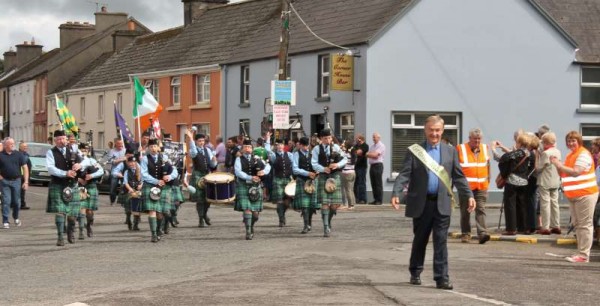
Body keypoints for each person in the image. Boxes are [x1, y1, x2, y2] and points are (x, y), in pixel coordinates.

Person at [391, 115, 475, 290]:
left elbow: (459, 177)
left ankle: (441, 278)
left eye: (438, 130)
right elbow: (405, 173)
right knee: (420, 240)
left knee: (441, 241)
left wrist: (469, 195)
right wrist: (396, 192)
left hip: (442, 203)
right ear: (425, 130)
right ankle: (415, 271)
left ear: (442, 131)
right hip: (422, 204)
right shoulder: (415, 150)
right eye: (431, 130)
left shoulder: (450, 151)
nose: (434, 134)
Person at [550, 131, 599, 263]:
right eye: (569, 141)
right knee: (578, 224)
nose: (571, 143)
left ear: (579, 141)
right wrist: (556, 164)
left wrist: (559, 165)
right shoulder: (571, 155)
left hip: (585, 194)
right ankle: (581, 252)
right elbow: (563, 173)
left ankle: (583, 255)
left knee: (584, 225)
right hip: (574, 195)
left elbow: (576, 172)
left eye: (573, 140)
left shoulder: (583, 154)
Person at [46, 130, 83, 246]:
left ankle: (70, 233)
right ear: (55, 141)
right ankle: (60, 237)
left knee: (73, 215)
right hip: (58, 184)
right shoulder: (50, 152)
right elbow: (50, 168)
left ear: (66, 139)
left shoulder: (74, 151)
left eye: (63, 139)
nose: (61, 141)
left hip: (72, 185)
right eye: (59, 139)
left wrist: (80, 165)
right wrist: (65, 173)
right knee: (60, 212)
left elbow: (87, 161)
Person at [456, 128, 491, 244]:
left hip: (481, 186)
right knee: (466, 211)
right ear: (469, 138)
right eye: (475, 139)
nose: (477, 142)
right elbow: (456, 169)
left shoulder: (485, 148)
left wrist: (488, 182)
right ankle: (466, 233)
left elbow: (487, 166)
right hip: (466, 187)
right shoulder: (461, 149)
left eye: (479, 139)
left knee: (480, 209)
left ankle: (482, 234)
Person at [311, 129, 347, 237]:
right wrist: (323, 169)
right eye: (325, 138)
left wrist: (337, 165)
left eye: (329, 138)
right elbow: (314, 163)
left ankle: (329, 220)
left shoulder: (336, 147)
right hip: (323, 176)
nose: (328, 140)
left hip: (335, 175)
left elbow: (344, 159)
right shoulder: (317, 149)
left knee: (334, 205)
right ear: (321, 139)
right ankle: (326, 226)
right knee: (325, 203)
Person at [493, 134, 532, 235]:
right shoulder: (528, 153)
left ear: (519, 143)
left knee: (510, 205)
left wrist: (493, 149)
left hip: (512, 182)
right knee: (522, 205)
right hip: (524, 182)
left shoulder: (516, 153)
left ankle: (511, 229)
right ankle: (524, 227)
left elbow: (502, 159)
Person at [141, 139, 178, 242]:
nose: (153, 148)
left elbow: (174, 170)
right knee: (152, 210)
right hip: (150, 185)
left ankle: (158, 230)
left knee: (161, 212)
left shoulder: (165, 158)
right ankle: (153, 234)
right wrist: (156, 181)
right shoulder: (144, 159)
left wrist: (169, 177)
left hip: (164, 187)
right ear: (148, 148)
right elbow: (144, 174)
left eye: (155, 146)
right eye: (151, 146)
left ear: (158, 147)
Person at [234, 139, 270, 240]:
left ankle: (250, 224)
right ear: (242, 149)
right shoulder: (238, 159)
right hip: (243, 185)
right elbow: (238, 172)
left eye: (249, 147)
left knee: (255, 215)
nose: (247, 149)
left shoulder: (257, 158)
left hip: (255, 186)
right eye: (245, 147)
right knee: (247, 209)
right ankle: (248, 231)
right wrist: (250, 177)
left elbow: (268, 166)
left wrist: (264, 172)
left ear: (252, 149)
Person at [187, 131, 217, 227]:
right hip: (197, 175)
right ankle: (201, 219)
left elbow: (212, 165)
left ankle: (204, 215)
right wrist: (191, 138)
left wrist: (214, 161)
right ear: (196, 142)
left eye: (203, 141)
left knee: (208, 198)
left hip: (207, 175)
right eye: (199, 141)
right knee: (200, 199)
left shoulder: (207, 150)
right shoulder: (193, 150)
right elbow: (194, 152)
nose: (202, 143)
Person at [265, 133, 294, 227]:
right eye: (277, 145)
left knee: (287, 201)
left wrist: (294, 178)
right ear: (276, 146)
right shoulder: (273, 156)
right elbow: (267, 150)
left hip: (288, 179)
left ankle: (282, 214)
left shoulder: (289, 154)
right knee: (279, 201)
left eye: (281, 144)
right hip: (278, 179)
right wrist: (268, 139)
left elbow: (293, 166)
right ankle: (281, 219)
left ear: (284, 145)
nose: (279, 146)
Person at [535, 132, 562, 235]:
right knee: (555, 203)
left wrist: (537, 156)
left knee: (545, 204)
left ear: (546, 143)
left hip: (545, 181)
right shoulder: (558, 152)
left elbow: (538, 168)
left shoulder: (546, 154)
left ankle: (545, 227)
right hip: (555, 181)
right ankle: (556, 225)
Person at [75, 143, 103, 239]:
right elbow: (72, 173)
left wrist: (91, 176)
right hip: (80, 186)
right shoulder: (75, 161)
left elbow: (101, 171)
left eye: (85, 150)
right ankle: (81, 231)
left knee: (90, 211)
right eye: (82, 150)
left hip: (91, 185)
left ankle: (89, 225)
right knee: (82, 209)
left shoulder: (92, 160)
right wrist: (79, 180)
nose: (84, 152)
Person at [0, 138, 29, 229]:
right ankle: (5, 220)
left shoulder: (18, 155)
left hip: (17, 180)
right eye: (10, 144)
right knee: (6, 201)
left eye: (13, 143)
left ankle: (16, 217)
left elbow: (25, 168)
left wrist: (26, 181)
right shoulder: (1, 155)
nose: (13, 145)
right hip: (4, 181)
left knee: (16, 202)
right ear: (5, 145)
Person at [293, 136, 319, 233]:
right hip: (302, 180)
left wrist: (316, 172)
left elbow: (316, 165)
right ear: (300, 145)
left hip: (312, 181)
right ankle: (305, 225)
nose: (305, 148)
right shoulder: (296, 154)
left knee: (311, 205)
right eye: (303, 146)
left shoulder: (312, 154)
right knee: (304, 205)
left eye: (306, 145)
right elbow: (295, 169)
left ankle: (309, 223)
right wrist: (307, 173)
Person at [123, 156, 143, 231]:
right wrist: (130, 189)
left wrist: (141, 185)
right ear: (128, 163)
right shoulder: (126, 172)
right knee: (128, 210)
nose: (132, 164)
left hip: (138, 191)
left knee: (137, 209)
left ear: (135, 162)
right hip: (129, 191)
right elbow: (125, 182)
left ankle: (136, 225)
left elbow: (143, 180)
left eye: (133, 162)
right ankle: (128, 221)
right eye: (130, 162)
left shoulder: (140, 170)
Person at [367, 132, 385, 204]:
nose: (373, 138)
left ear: (379, 138)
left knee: (378, 183)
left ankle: (379, 200)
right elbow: (369, 154)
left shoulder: (381, 145)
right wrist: (370, 154)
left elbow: (375, 155)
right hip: (372, 165)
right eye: (373, 137)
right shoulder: (372, 146)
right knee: (373, 183)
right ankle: (375, 199)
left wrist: (369, 154)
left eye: (375, 137)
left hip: (378, 165)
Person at [108, 139, 127, 205]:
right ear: (115, 144)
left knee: (124, 186)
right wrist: (121, 159)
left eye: (121, 145)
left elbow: (128, 159)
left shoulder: (125, 151)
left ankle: (123, 201)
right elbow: (111, 161)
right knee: (113, 188)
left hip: (123, 171)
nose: (120, 146)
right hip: (115, 172)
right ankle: (112, 200)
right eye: (119, 145)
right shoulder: (112, 151)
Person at [352, 134, 369, 204]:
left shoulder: (365, 146)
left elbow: (358, 152)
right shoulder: (355, 146)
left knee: (362, 182)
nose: (356, 140)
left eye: (357, 139)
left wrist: (355, 152)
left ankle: (363, 199)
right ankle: (356, 198)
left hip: (362, 166)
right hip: (355, 167)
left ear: (360, 139)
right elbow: (353, 152)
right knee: (356, 183)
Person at [341, 138, 356, 209]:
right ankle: (353, 203)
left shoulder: (346, 154)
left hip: (346, 173)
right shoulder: (352, 153)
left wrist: (341, 148)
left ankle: (350, 205)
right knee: (351, 189)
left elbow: (340, 155)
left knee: (347, 190)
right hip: (352, 172)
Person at [18, 142, 31, 210]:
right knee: (19, 190)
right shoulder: (19, 155)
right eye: (24, 146)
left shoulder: (26, 155)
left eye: (26, 146)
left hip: (24, 175)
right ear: (20, 147)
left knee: (22, 190)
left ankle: (22, 204)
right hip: (20, 175)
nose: (25, 147)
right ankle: (20, 204)